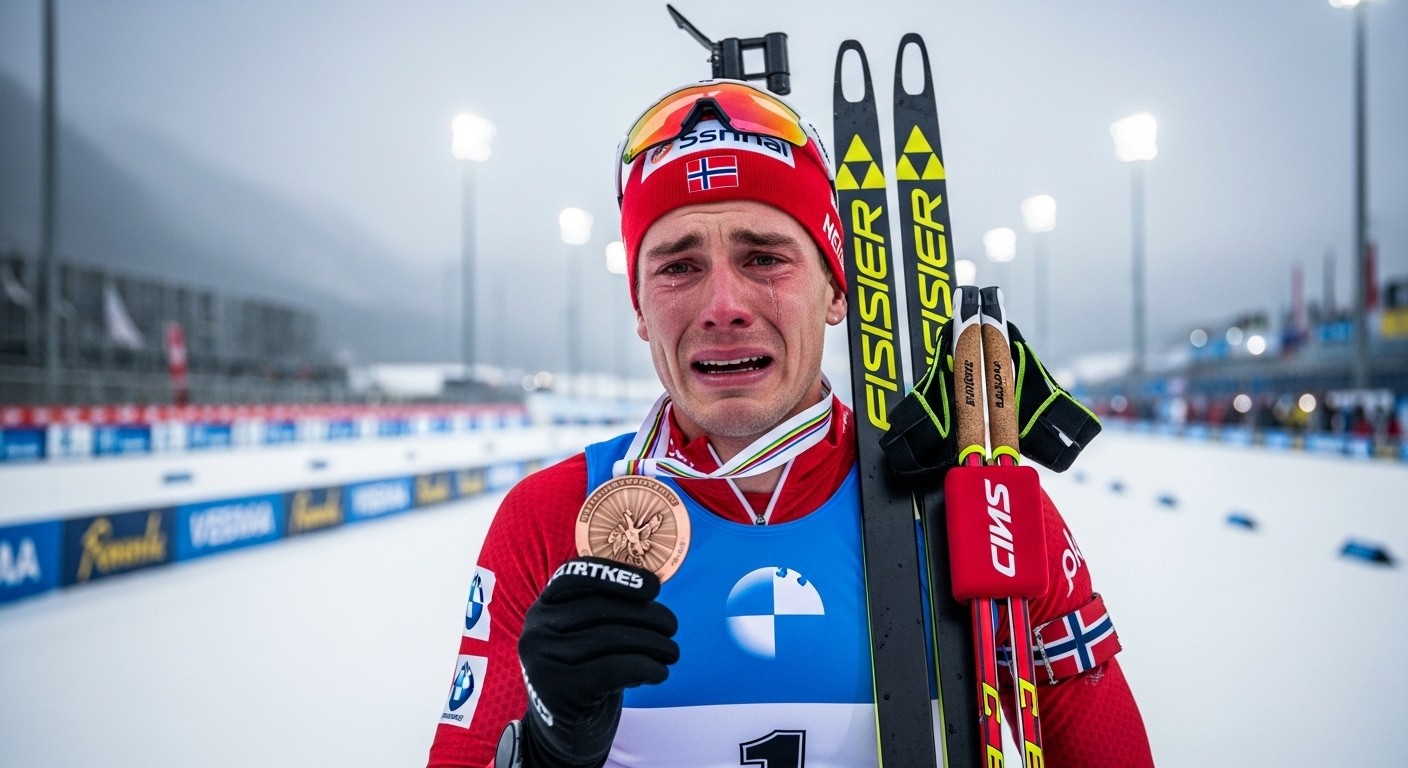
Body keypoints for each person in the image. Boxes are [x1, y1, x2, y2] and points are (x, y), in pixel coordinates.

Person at [427, 79, 1154, 768]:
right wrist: (551, 747)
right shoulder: (551, 518)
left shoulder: (981, 511)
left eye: (765, 258)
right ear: (640, 307)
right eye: (678, 267)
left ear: (836, 289)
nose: (723, 306)